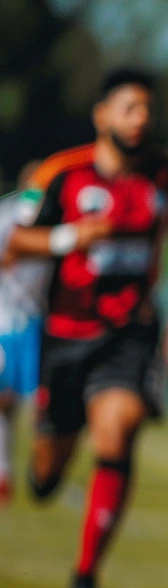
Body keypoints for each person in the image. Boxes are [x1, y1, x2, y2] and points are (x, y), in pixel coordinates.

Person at [4, 68, 168, 588]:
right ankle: (49, 469)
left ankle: (86, 577)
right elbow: (15, 239)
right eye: (130, 108)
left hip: (130, 333)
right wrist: (70, 236)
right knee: (46, 472)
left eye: (148, 109)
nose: (141, 119)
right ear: (103, 114)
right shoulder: (62, 173)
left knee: (119, 429)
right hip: (62, 335)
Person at [0, 160, 49, 506]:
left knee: (34, 400)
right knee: (4, 399)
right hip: (4, 317)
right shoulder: (9, 212)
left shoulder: (56, 214)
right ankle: (4, 470)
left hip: (37, 318)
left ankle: (39, 466)